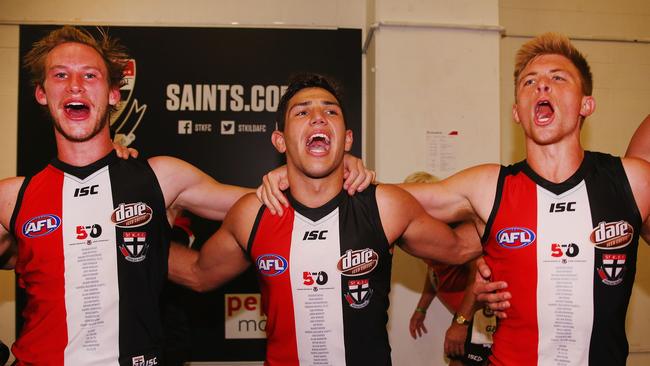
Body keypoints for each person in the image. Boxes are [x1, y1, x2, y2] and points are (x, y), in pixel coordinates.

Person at [0, 26, 372, 365]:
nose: (75, 86)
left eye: (90, 75)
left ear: (114, 93)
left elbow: (266, 207)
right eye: (60, 75)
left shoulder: (161, 177)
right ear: (41, 93)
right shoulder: (12, 196)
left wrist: (327, 165)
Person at [169, 73, 482, 366]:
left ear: (346, 140)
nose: (318, 116)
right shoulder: (252, 213)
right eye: (302, 112)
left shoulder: (385, 205)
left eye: (330, 111)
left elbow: (458, 248)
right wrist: (124, 237)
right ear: (280, 140)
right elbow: (198, 274)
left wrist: (518, 221)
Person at [397, 33, 650, 365]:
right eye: (529, 81)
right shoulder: (490, 185)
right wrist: (351, 175)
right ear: (517, 111)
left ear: (586, 103)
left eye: (557, 78)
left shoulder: (632, 180)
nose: (542, 86)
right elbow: (392, 205)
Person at [404, 171, 494, 366]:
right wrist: (422, 308)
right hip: (463, 316)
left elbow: (479, 274)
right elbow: (435, 272)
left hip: (478, 315)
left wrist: (460, 324)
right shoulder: (425, 232)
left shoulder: (460, 229)